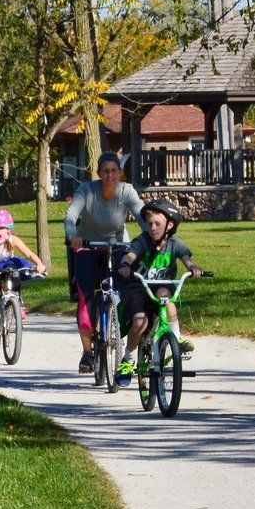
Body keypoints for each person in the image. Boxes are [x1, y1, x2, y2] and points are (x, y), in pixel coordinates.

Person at [65, 151, 145, 374]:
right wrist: (73, 236)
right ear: (99, 173)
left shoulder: (126, 191)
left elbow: (140, 214)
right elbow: (71, 216)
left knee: (129, 284)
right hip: (87, 245)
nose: (110, 175)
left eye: (114, 171)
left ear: (120, 173)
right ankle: (87, 353)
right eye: (105, 171)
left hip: (117, 244)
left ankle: (126, 326)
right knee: (86, 296)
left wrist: (151, 236)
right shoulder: (86, 191)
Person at [115, 198, 203, 387]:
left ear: (169, 225)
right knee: (140, 321)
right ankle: (128, 360)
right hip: (139, 287)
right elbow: (130, 255)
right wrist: (125, 265)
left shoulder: (175, 244)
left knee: (166, 295)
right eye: (150, 224)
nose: (153, 228)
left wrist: (193, 267)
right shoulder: (142, 241)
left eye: (158, 224)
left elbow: (186, 259)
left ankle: (175, 338)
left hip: (161, 286)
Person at [0, 208, 47, 352]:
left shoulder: (13, 240)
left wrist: (39, 264)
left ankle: (17, 302)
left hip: (7, 265)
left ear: (8, 229)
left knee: (15, 273)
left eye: (1, 228)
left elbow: (29, 253)